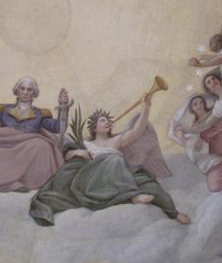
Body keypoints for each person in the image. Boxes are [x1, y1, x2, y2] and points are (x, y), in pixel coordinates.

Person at [29, 95, 189, 226]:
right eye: (102, 121)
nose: (107, 123)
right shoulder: (86, 143)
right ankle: (132, 196)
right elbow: (67, 156)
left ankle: (173, 213)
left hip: (115, 179)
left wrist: (146, 108)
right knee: (113, 160)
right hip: (90, 181)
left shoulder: (117, 141)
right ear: (94, 127)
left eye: (107, 120)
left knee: (144, 182)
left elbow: (137, 131)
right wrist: (79, 152)